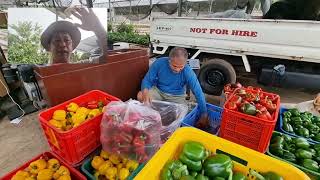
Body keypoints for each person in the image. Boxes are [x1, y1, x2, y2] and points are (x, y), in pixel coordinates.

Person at [137, 47, 210, 128]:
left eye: (181, 67)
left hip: (177, 96)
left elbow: (198, 92)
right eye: (174, 66)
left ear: (185, 63)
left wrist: (204, 113)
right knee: (140, 96)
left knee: (182, 116)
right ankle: (151, 119)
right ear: (169, 60)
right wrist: (145, 92)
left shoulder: (188, 71)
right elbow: (147, 80)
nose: (178, 70)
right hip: (159, 91)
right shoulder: (159, 63)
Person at [40, 8, 107, 64]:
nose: (62, 44)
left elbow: (108, 58)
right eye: (57, 40)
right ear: (49, 47)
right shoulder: (38, 72)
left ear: (72, 46)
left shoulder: (81, 67)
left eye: (67, 40)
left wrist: (98, 28)